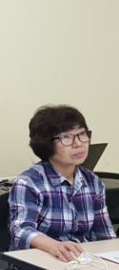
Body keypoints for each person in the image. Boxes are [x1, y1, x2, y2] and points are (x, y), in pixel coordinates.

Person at [9, 105, 114, 261]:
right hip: (41, 267)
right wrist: (53, 245)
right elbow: (21, 230)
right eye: (65, 137)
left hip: (84, 264)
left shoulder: (93, 181)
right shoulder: (29, 182)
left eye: (82, 134)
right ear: (46, 144)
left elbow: (104, 234)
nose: (78, 143)